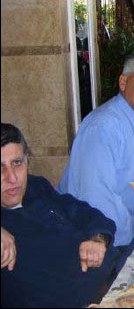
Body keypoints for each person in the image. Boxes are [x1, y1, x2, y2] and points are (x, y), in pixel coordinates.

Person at [58, 51, 134, 247]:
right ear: (123, 82)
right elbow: (97, 200)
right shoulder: (103, 127)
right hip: (98, 243)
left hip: (127, 233)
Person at [1, 123, 118, 308]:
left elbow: (90, 215)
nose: (12, 177)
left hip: (114, 280)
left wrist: (97, 239)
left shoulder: (36, 187)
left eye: (17, 163)